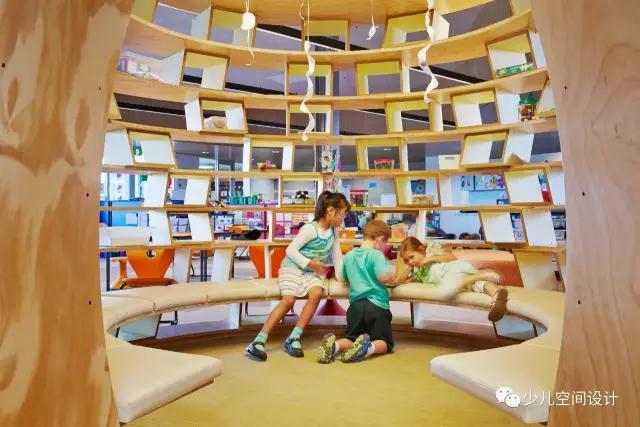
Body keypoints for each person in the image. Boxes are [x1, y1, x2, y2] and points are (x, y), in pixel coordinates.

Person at [246, 191, 350, 361]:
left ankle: (294, 336)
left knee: (317, 293)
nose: (343, 219)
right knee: (289, 300)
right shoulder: (310, 229)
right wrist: (311, 264)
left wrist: (344, 278)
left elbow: (338, 260)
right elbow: (290, 250)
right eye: (342, 214)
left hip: (312, 274)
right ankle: (258, 341)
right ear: (330, 210)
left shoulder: (333, 233)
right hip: (292, 268)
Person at [316, 220, 399, 364]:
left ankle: (335, 346)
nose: (384, 247)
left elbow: (344, 278)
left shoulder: (349, 255)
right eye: (385, 243)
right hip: (377, 306)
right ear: (379, 239)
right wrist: (394, 276)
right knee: (385, 342)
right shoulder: (377, 255)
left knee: (351, 339)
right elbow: (382, 277)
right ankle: (367, 348)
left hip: (355, 307)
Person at [397, 237, 508, 322]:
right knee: (478, 285)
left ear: (421, 249)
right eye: (406, 260)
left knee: (445, 292)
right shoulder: (419, 274)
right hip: (457, 278)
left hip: (454, 269)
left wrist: (429, 259)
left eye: (412, 257)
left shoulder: (431, 252)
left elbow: (452, 258)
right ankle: (496, 295)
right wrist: (410, 266)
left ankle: (480, 275)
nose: (410, 261)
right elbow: (400, 280)